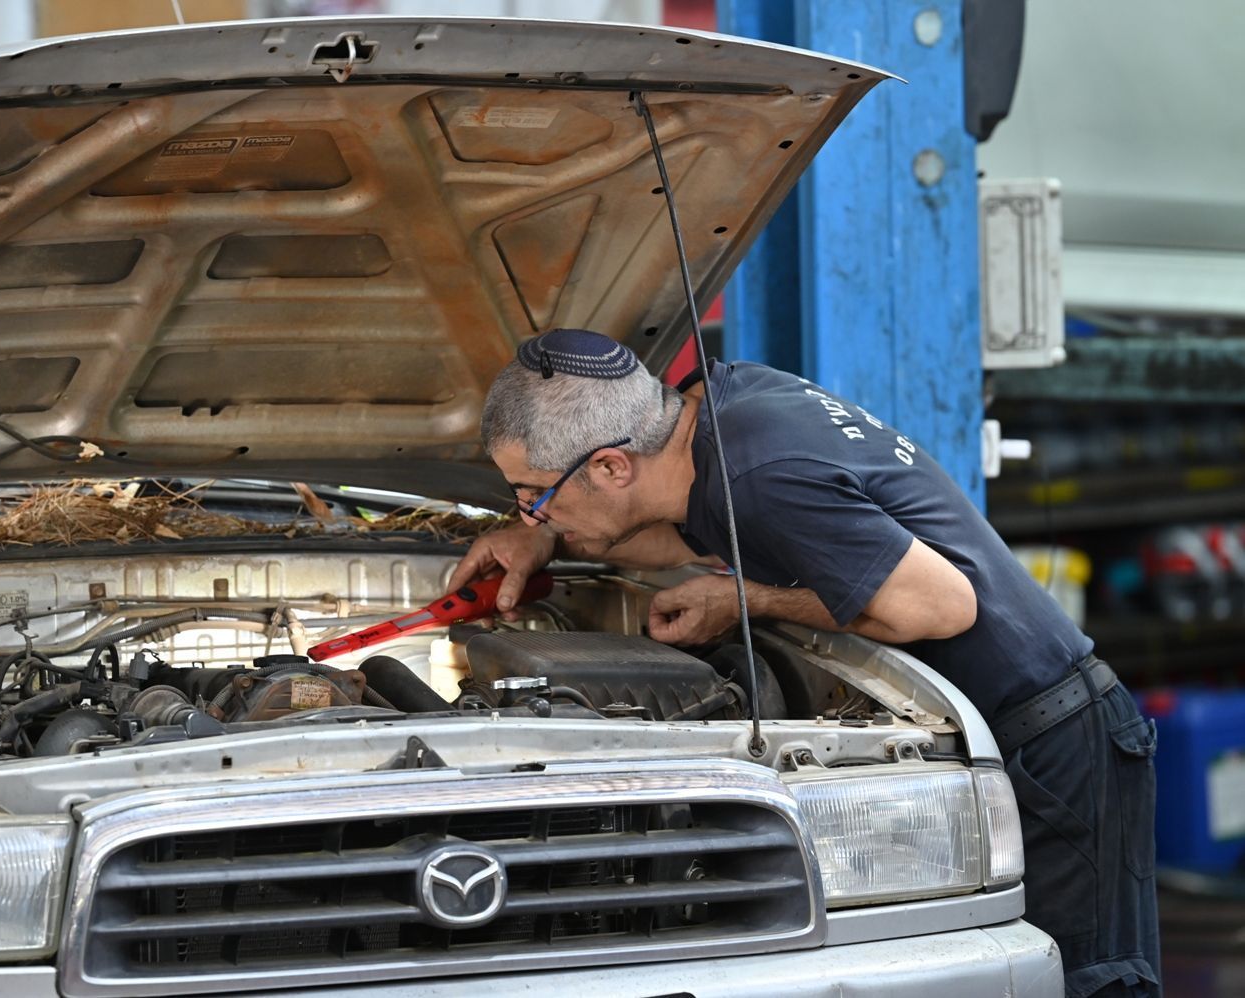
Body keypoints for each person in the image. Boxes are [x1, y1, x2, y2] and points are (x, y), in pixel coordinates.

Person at [450, 328, 1160, 998]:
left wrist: (741, 600)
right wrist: (543, 538)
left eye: (533, 494)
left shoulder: (763, 476)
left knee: (1087, 982)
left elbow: (941, 607)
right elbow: (680, 536)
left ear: (611, 466)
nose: (529, 510)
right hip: (1007, 738)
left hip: (1052, 747)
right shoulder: (719, 413)